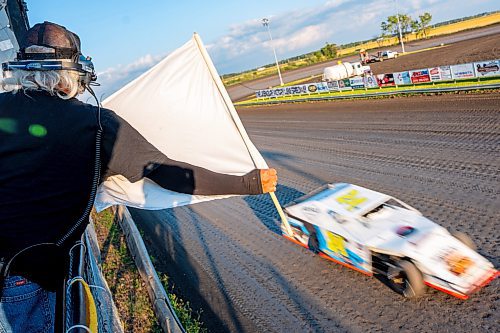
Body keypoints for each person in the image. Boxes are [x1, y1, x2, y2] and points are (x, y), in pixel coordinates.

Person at [0, 21, 277, 333]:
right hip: (31, 281)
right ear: (74, 74)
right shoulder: (97, 125)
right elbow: (170, 174)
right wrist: (247, 183)